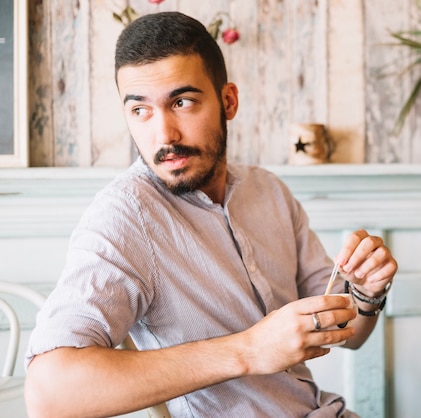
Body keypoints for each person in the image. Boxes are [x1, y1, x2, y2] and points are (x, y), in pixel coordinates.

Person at [24, 11, 397, 418]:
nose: (164, 134)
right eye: (140, 111)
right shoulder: (125, 216)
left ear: (228, 101)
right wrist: (248, 350)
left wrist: (366, 291)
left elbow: (347, 334)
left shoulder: (268, 191)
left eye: (182, 102)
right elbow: (49, 394)